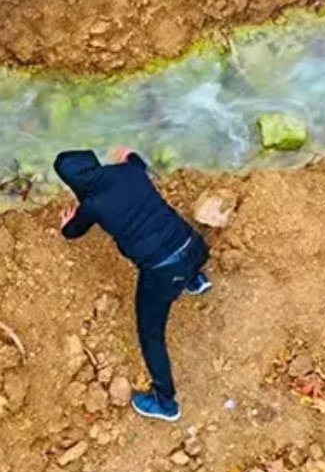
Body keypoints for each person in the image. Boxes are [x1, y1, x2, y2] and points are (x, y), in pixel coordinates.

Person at [54, 146, 212, 422]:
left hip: (163, 271)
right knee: (172, 240)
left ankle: (165, 402)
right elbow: (138, 163)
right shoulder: (128, 172)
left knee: (150, 335)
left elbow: (72, 232)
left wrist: (67, 222)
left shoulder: (92, 204)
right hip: (195, 246)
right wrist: (128, 156)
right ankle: (195, 280)